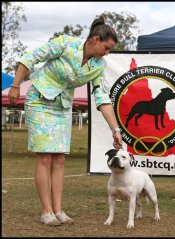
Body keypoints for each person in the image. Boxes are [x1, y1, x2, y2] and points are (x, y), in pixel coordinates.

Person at [8, 17, 122, 226]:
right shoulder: (66, 43)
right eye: (106, 48)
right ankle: (46, 211)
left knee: (59, 158)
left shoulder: (98, 65)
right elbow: (31, 57)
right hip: (39, 100)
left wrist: (115, 129)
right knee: (45, 156)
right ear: (96, 39)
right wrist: (15, 85)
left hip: (62, 107)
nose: (107, 53)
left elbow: (102, 97)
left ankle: (59, 210)